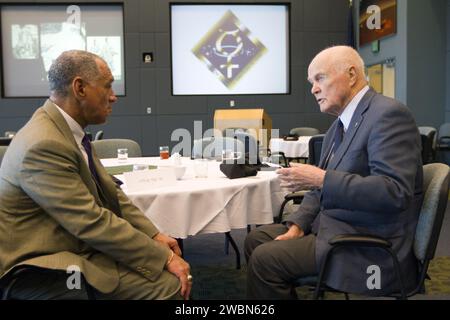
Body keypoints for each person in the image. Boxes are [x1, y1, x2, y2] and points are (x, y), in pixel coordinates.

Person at [0, 50, 192, 300]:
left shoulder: (65, 131)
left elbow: (111, 193)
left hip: (71, 243)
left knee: (164, 277)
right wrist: (162, 257)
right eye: (108, 86)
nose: (113, 97)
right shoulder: (44, 143)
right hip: (38, 265)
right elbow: (90, 222)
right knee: (168, 288)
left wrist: (154, 235)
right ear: (79, 88)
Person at [245, 46, 423, 299]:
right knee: (257, 239)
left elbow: (394, 192)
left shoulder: (388, 115)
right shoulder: (338, 126)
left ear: (351, 75)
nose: (313, 89)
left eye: (320, 78)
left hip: (368, 243)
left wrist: (322, 178)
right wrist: (298, 224)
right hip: (336, 227)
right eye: (312, 82)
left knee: (266, 260)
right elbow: (320, 189)